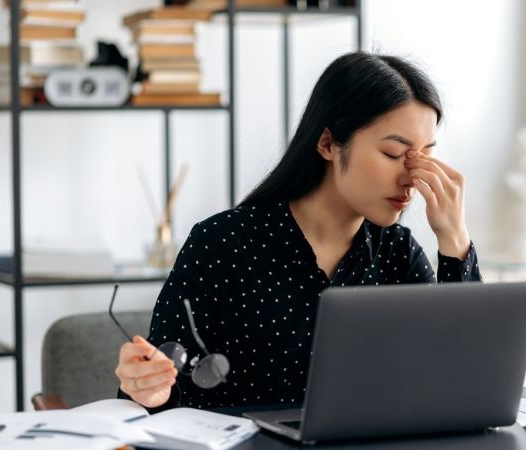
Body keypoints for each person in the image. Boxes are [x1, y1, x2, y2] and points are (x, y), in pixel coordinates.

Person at [115, 51, 483, 411]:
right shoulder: (221, 245)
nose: (412, 177)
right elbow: (159, 388)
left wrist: (454, 241)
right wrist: (147, 389)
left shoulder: (397, 253)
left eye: (424, 156)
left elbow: (466, 379)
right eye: (392, 154)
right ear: (327, 144)